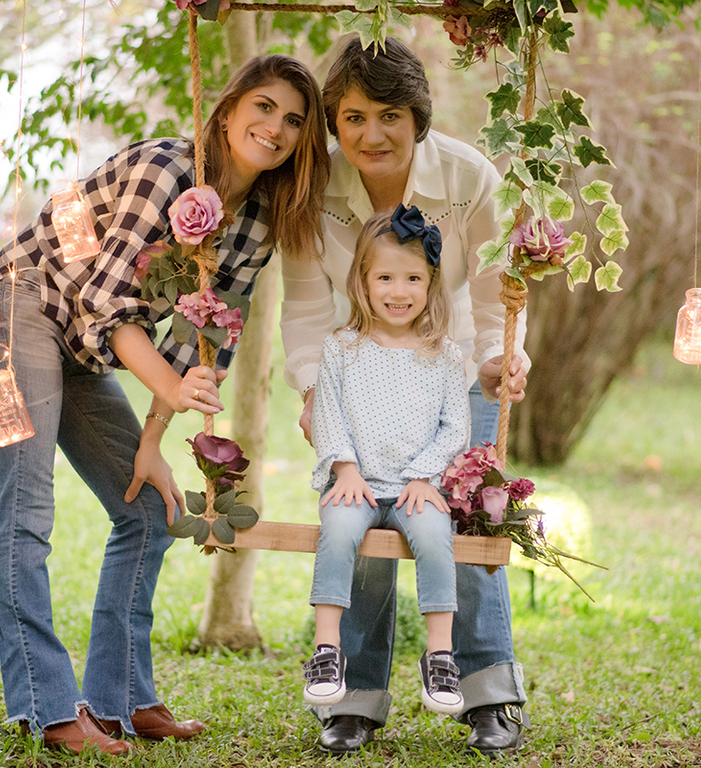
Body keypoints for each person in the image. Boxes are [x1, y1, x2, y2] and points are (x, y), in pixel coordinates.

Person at [0, 54, 329, 756]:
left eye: (293, 120)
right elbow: (105, 300)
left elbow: (207, 334)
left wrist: (153, 440)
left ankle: (124, 699)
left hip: (82, 351)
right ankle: (45, 708)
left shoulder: (257, 221)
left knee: (148, 507)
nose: (275, 127)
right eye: (263, 106)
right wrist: (164, 386)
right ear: (227, 110)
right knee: (26, 511)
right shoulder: (166, 169)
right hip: (16, 313)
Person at [280, 37, 530, 756]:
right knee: (358, 529)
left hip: (450, 371)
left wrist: (497, 364)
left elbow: (494, 294)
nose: (371, 134)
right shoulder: (313, 186)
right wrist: (312, 391)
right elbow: (303, 305)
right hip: (356, 375)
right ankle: (353, 699)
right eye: (352, 116)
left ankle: (486, 692)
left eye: (389, 114)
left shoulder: (468, 177)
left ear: (417, 116)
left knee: (466, 529)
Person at [303, 206, 469, 720]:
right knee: (338, 533)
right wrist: (345, 470)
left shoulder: (444, 355)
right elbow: (326, 414)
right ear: (363, 282)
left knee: (437, 538)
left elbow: (455, 427)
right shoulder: (341, 348)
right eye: (386, 278)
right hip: (359, 483)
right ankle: (327, 649)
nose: (400, 291)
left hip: (415, 485)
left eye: (414, 278)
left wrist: (424, 475)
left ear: (431, 282)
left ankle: (440, 655)